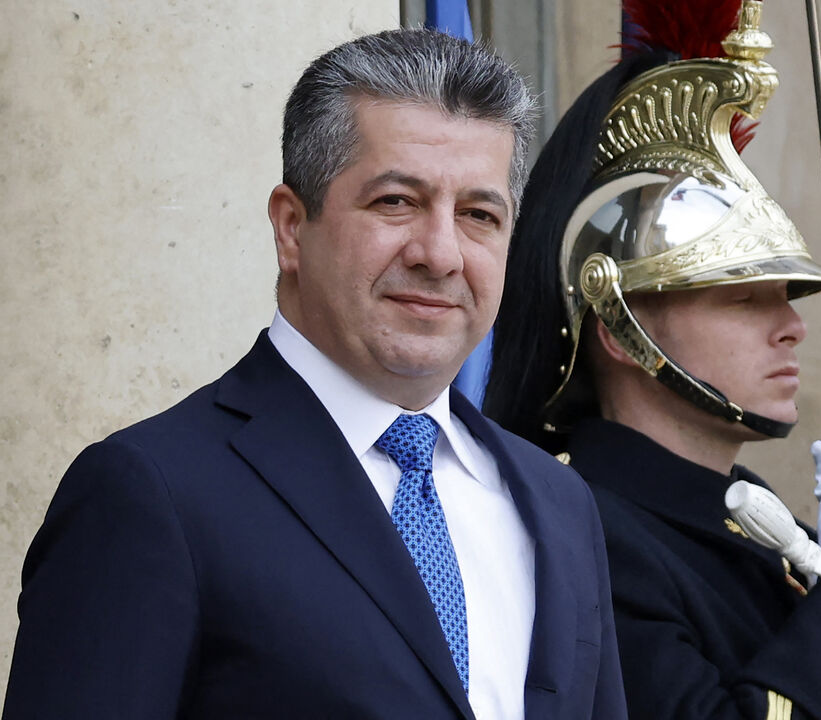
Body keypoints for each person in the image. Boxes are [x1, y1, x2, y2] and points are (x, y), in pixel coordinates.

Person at [5, 29, 624, 720]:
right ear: (292, 227)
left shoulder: (560, 502)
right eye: (396, 201)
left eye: (479, 215)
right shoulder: (152, 493)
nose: (441, 253)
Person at [485, 2, 821, 718]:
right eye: (742, 300)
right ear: (619, 324)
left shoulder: (748, 526)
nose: (792, 327)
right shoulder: (583, 535)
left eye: (787, 296)